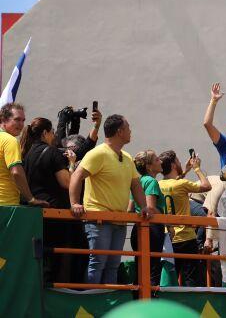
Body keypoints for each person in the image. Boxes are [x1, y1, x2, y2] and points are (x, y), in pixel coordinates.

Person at [69, 114, 156, 284]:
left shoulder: (127, 157)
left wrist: (144, 206)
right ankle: (92, 301)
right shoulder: (98, 153)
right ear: (119, 131)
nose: (131, 131)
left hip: (119, 221)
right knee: (98, 263)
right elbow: (76, 177)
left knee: (113, 265)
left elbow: (136, 185)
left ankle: (107, 300)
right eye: (128, 127)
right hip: (99, 220)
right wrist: (74, 203)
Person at [20, 117, 77, 282]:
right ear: (45, 133)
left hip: (34, 213)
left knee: (38, 256)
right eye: (52, 132)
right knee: (53, 259)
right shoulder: (51, 152)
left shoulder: (28, 153)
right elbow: (67, 183)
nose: (54, 136)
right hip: (54, 213)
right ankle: (51, 294)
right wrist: (72, 164)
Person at [159, 150, 212, 286]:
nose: (180, 162)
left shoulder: (159, 185)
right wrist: (197, 168)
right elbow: (207, 186)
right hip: (186, 238)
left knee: (170, 279)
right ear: (172, 165)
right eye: (177, 161)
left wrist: (185, 170)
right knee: (191, 280)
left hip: (167, 239)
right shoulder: (181, 184)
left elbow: (173, 184)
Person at [128, 150, 167, 288]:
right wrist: (166, 217)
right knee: (152, 270)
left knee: (140, 271)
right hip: (152, 230)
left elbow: (130, 209)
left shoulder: (138, 181)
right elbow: (150, 209)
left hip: (137, 229)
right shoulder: (151, 181)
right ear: (149, 166)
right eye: (157, 160)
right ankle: (150, 304)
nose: (160, 161)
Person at [0, 103, 48, 207]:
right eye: (17, 119)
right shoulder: (10, 141)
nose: (21, 124)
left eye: (23, 120)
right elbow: (16, 172)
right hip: (6, 204)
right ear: (3, 120)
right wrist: (31, 199)